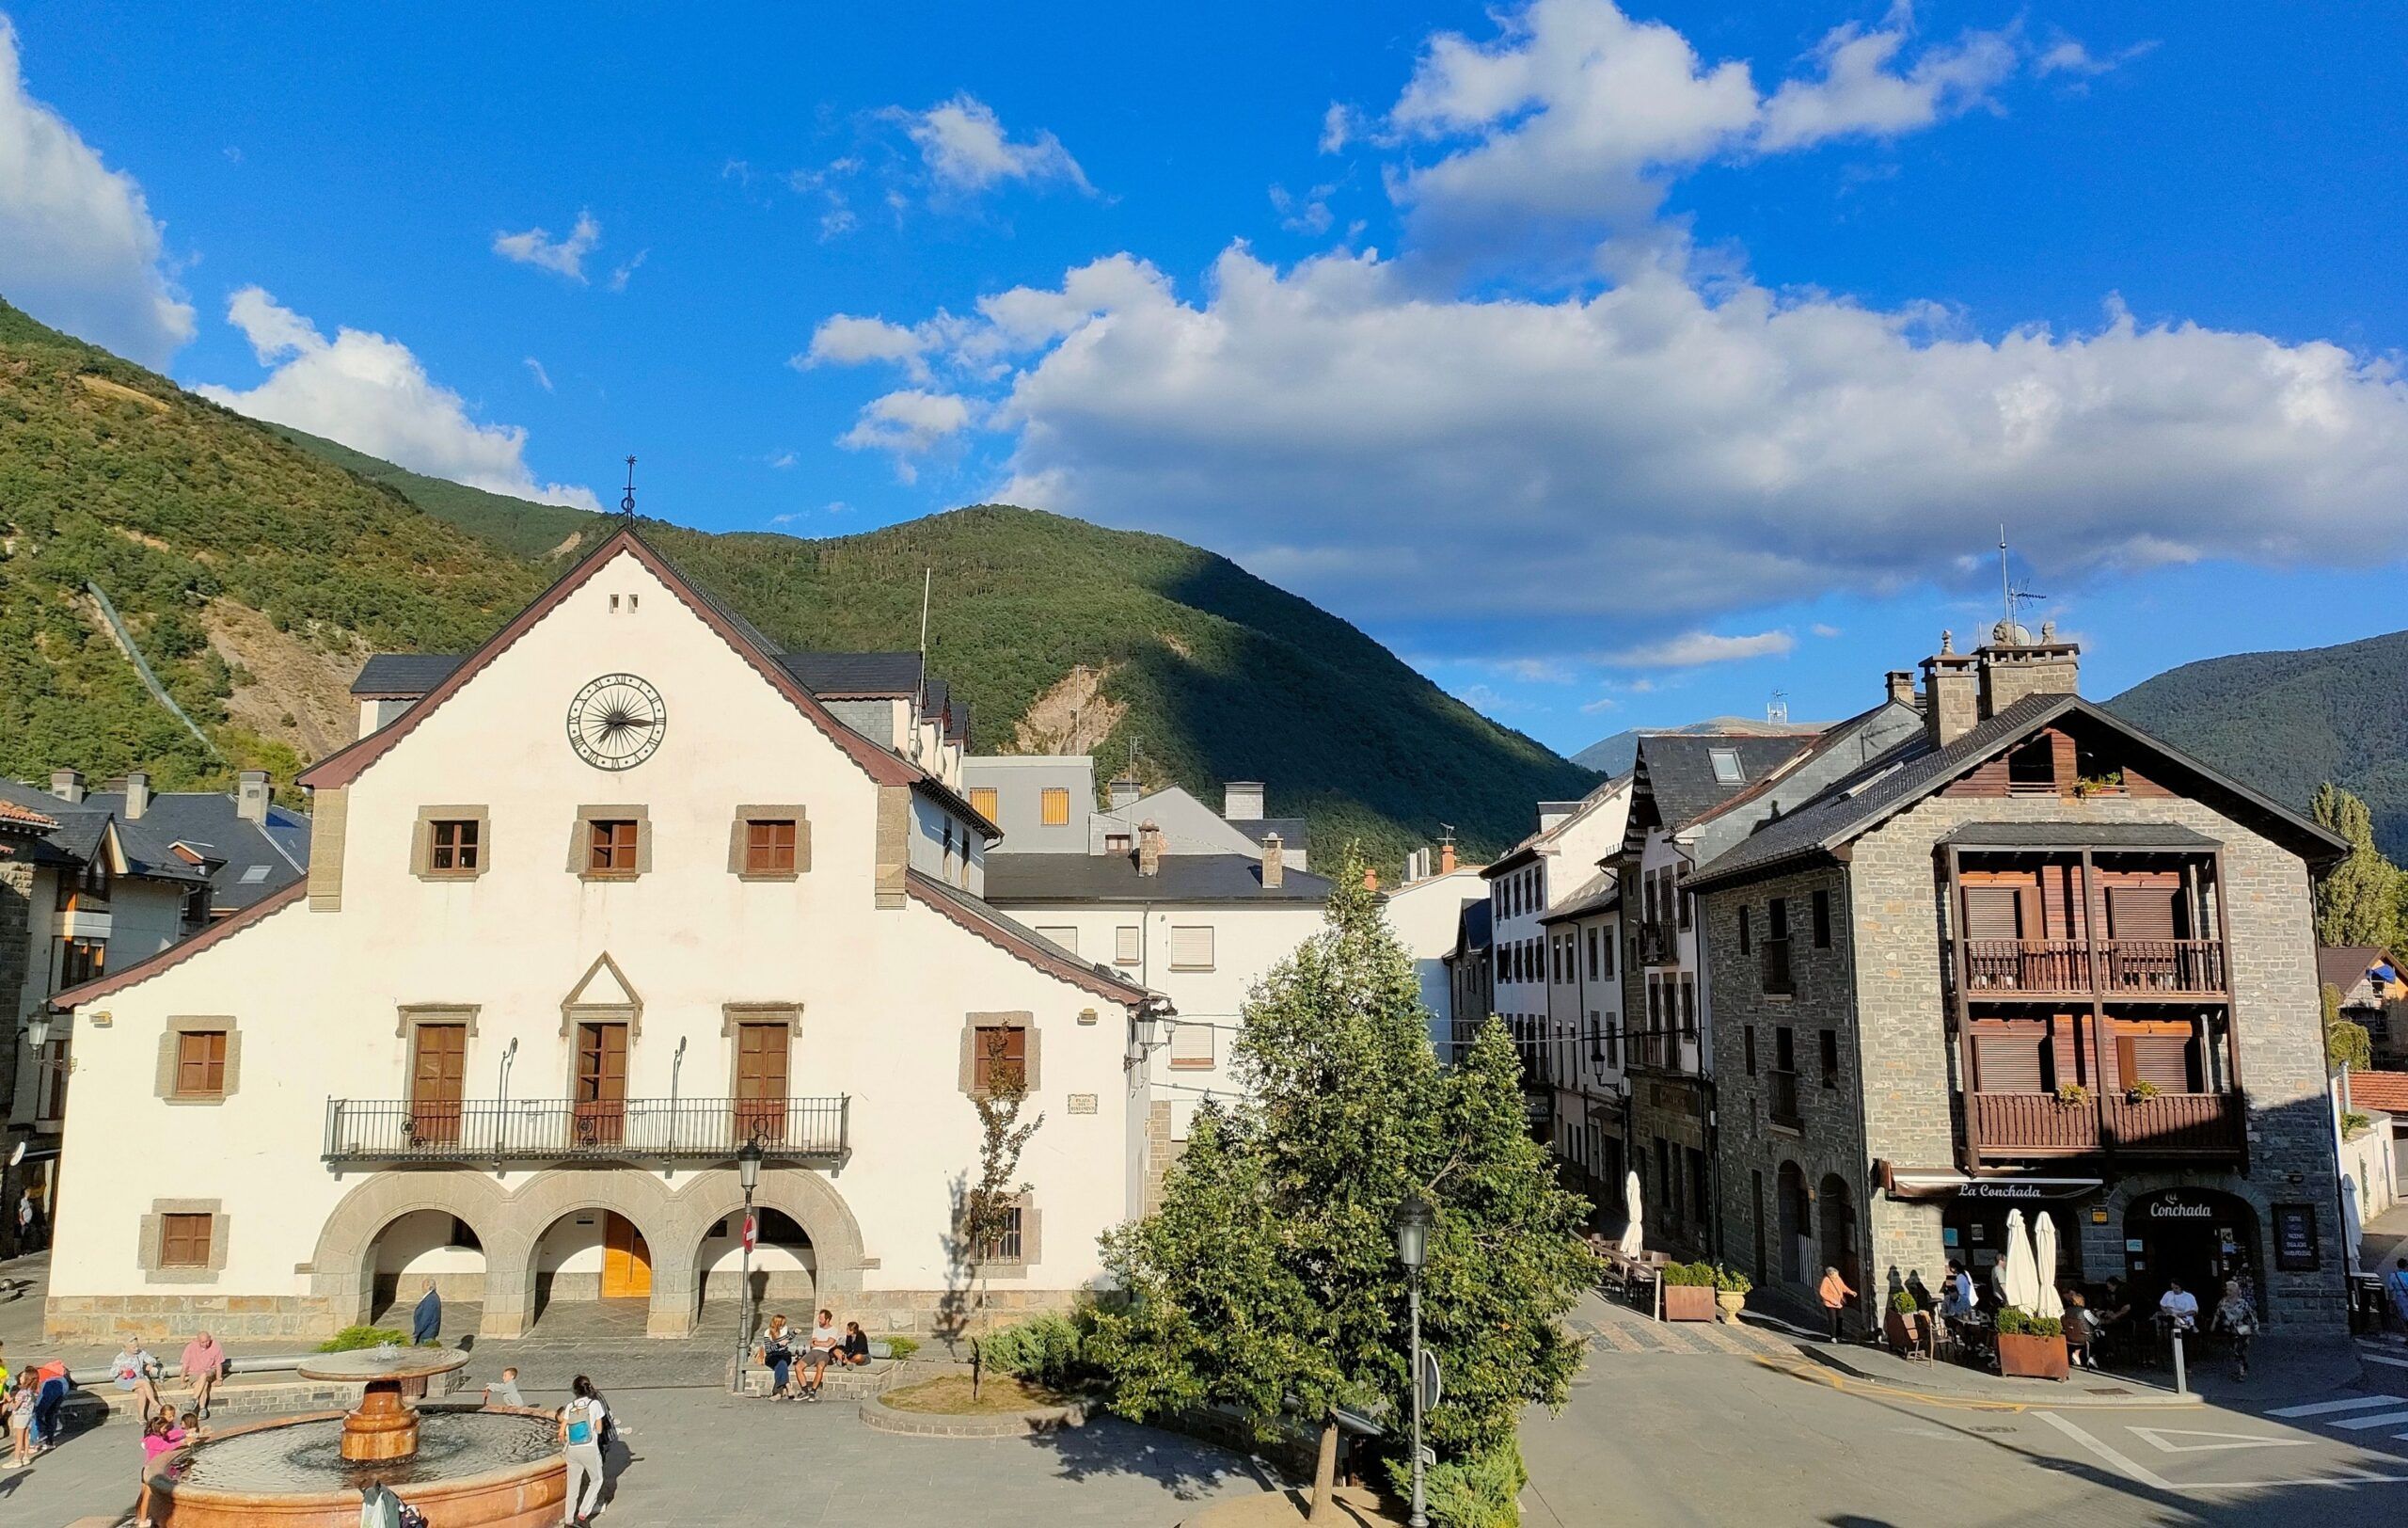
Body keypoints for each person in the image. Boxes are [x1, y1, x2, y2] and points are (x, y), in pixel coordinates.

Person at [558, 1374, 608, 1527]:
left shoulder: (570, 1406)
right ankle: (582, 1514)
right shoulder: (594, 1404)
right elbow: (599, 1430)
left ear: (574, 1390)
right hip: (589, 1448)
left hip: (572, 1450)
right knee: (597, 1479)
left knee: (573, 1486)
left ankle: (568, 1520)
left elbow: (561, 1432)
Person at [2213, 1279, 2259, 1379]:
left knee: (2240, 1349)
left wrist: (2256, 1328)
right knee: (2235, 1350)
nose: (2228, 1292)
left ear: (2236, 1291)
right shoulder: (2223, 1302)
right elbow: (2217, 1313)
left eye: (2230, 1290)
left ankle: (2242, 1371)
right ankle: (2243, 1365)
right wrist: (2213, 1324)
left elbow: (2251, 1315)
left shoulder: (2243, 1302)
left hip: (2243, 1328)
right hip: (2231, 1330)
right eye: (2227, 1290)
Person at [180, 1331, 228, 1420]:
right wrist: (182, 1381)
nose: (206, 1344)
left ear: (210, 1338)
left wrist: (219, 1379)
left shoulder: (215, 1346)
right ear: (198, 1341)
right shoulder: (190, 1347)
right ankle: (202, 1409)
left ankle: (194, 1399)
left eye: (207, 1341)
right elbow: (185, 1365)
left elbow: (218, 1364)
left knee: (204, 1375)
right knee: (204, 1385)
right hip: (194, 1373)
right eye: (203, 1342)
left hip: (209, 1371)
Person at [113, 1342, 164, 1423]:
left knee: (141, 1390)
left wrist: (151, 1364)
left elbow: (152, 1359)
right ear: (127, 1348)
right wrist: (120, 1371)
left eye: (137, 1346)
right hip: (124, 1380)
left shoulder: (141, 1353)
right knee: (144, 1382)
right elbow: (113, 1372)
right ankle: (155, 1404)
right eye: (133, 1347)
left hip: (137, 1379)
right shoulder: (120, 1357)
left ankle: (141, 1417)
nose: (136, 1349)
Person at [799, 1308, 842, 1396]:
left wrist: (817, 1342)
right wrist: (821, 1343)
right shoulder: (816, 1330)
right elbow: (812, 1344)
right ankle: (804, 1389)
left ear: (827, 1320)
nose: (819, 1320)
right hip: (813, 1352)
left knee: (820, 1367)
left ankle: (813, 1390)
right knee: (798, 1366)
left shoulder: (833, 1330)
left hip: (825, 1353)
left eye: (821, 1319)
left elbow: (828, 1344)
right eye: (819, 1318)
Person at [31, 1359, 68, 1452]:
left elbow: (37, 1391)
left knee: (35, 1415)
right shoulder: (45, 1372)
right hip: (63, 1384)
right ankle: (49, 1442)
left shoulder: (31, 1376)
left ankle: (34, 1443)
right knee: (50, 1414)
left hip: (50, 1385)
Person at [756, 1313, 796, 1398]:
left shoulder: (785, 1329)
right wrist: (779, 1344)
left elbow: (789, 1337)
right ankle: (788, 1386)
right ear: (777, 1324)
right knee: (782, 1364)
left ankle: (777, 1393)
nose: (783, 1326)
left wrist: (794, 1333)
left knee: (782, 1363)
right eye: (782, 1324)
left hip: (784, 1353)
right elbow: (768, 1349)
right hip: (772, 1355)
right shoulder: (768, 1333)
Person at [1818, 1265, 1856, 1343]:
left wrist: (1851, 1292)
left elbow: (1843, 1287)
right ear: (1830, 1275)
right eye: (1835, 1275)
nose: (1837, 1276)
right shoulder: (1826, 1280)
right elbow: (1823, 1293)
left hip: (1839, 1302)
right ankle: (1833, 1336)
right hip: (1830, 1304)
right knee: (1833, 1320)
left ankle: (1839, 1336)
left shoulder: (1838, 1278)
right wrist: (1833, 1301)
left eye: (1837, 1274)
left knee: (1840, 1319)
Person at [2062, 1290, 2099, 1369]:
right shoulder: (2085, 1312)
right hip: (2084, 1336)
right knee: (2099, 1335)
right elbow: (2095, 1322)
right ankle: (2092, 1357)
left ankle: (2076, 1354)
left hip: (2070, 1337)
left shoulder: (2067, 1311)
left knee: (2078, 1336)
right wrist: (2097, 1315)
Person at [7, 1372, 34, 1469]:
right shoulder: (30, 1391)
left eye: (23, 1377)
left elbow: (15, 1407)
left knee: (19, 1439)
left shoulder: (21, 1392)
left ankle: (16, 1459)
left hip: (20, 1416)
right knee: (26, 1437)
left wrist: (9, 1399)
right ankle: (25, 1457)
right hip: (28, 1415)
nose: (20, 1378)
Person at [411, 1281, 442, 1345]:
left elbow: (425, 1318)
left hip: (426, 1335)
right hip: (427, 1333)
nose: (422, 1288)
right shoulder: (432, 1297)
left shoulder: (431, 1300)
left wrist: (417, 1332)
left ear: (429, 1286)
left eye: (423, 1286)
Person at [2386, 1257, 2408, 1331]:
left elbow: (2390, 1290)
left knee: (2403, 1315)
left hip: (2400, 1297)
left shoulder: (2393, 1276)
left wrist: (2390, 1303)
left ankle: (2406, 1331)